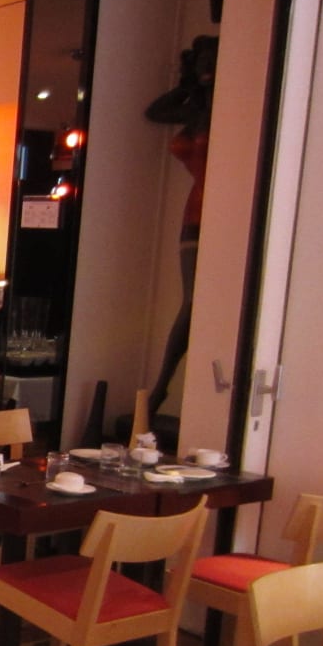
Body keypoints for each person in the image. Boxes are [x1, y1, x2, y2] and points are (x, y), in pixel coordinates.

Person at [143, 34, 217, 416]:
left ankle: (163, 388)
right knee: (191, 301)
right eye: (200, 61)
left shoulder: (231, 109)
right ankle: (163, 389)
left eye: (211, 61)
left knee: (197, 303)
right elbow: (155, 111)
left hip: (223, 213)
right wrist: (188, 85)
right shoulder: (197, 111)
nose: (206, 68)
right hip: (195, 211)